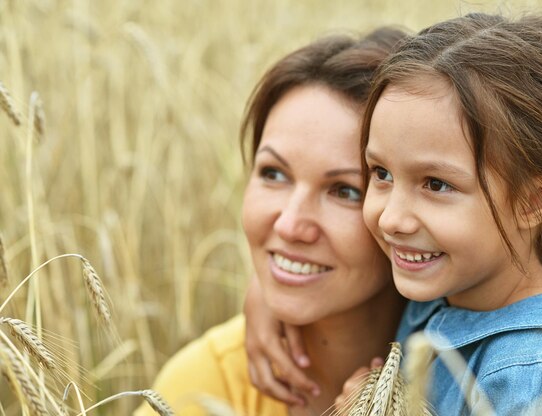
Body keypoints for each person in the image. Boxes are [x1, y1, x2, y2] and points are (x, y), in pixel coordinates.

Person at [250, 12, 542, 415]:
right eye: (381, 173)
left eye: (435, 184)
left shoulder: (538, 380)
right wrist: (267, 294)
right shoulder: (451, 286)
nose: (392, 218)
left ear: (535, 200)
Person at [134, 27, 408, 416]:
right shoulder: (203, 387)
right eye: (273, 174)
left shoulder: (486, 371)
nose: (289, 225)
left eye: (345, 191)